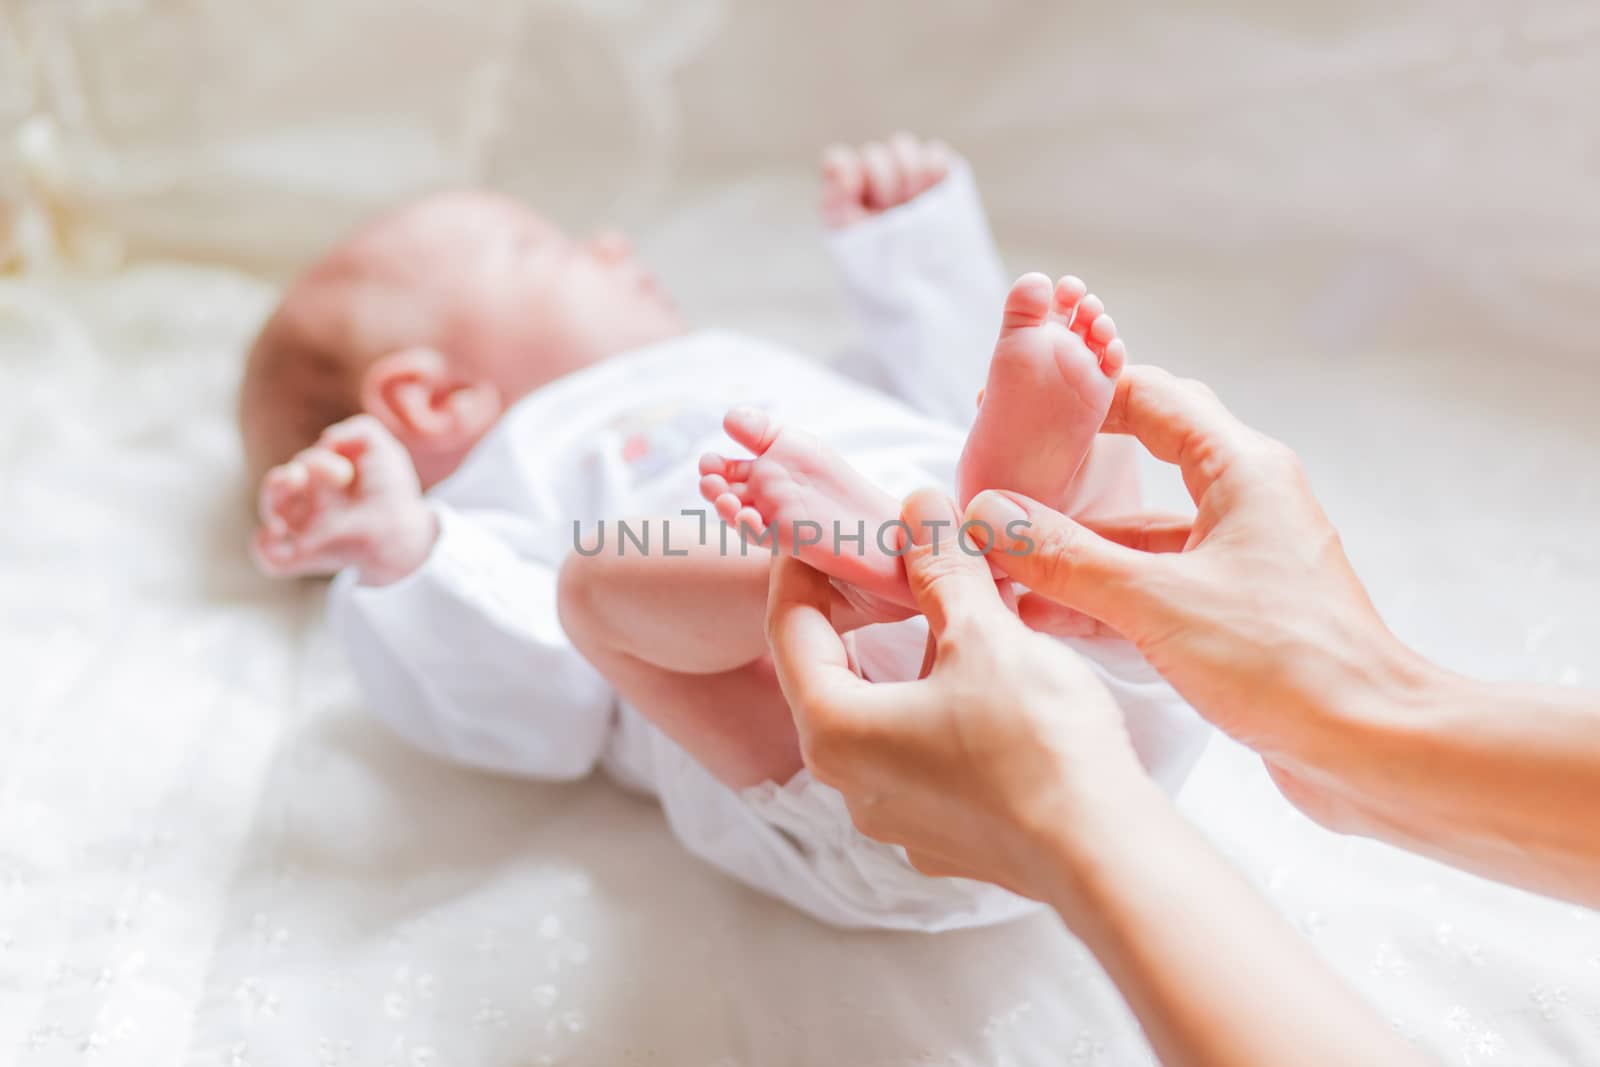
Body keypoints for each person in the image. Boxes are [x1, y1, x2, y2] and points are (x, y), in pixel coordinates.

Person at [240, 133, 1209, 931]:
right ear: (436, 393)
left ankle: (977, 526)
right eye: (546, 249)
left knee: (964, 441)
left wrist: (908, 246)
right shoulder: (503, 494)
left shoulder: (750, 367)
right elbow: (540, 709)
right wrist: (406, 552)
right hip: (861, 768)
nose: (612, 244)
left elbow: (943, 384)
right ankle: (859, 575)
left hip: (1089, 661)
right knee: (598, 582)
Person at [764, 362, 1600, 1064]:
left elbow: (626, 620)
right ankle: (1010, 504)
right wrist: (1357, 708)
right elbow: (940, 362)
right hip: (1048, 720)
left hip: (896, 789)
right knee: (1086, 560)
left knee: (713, 606)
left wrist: (1067, 812)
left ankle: (873, 573)